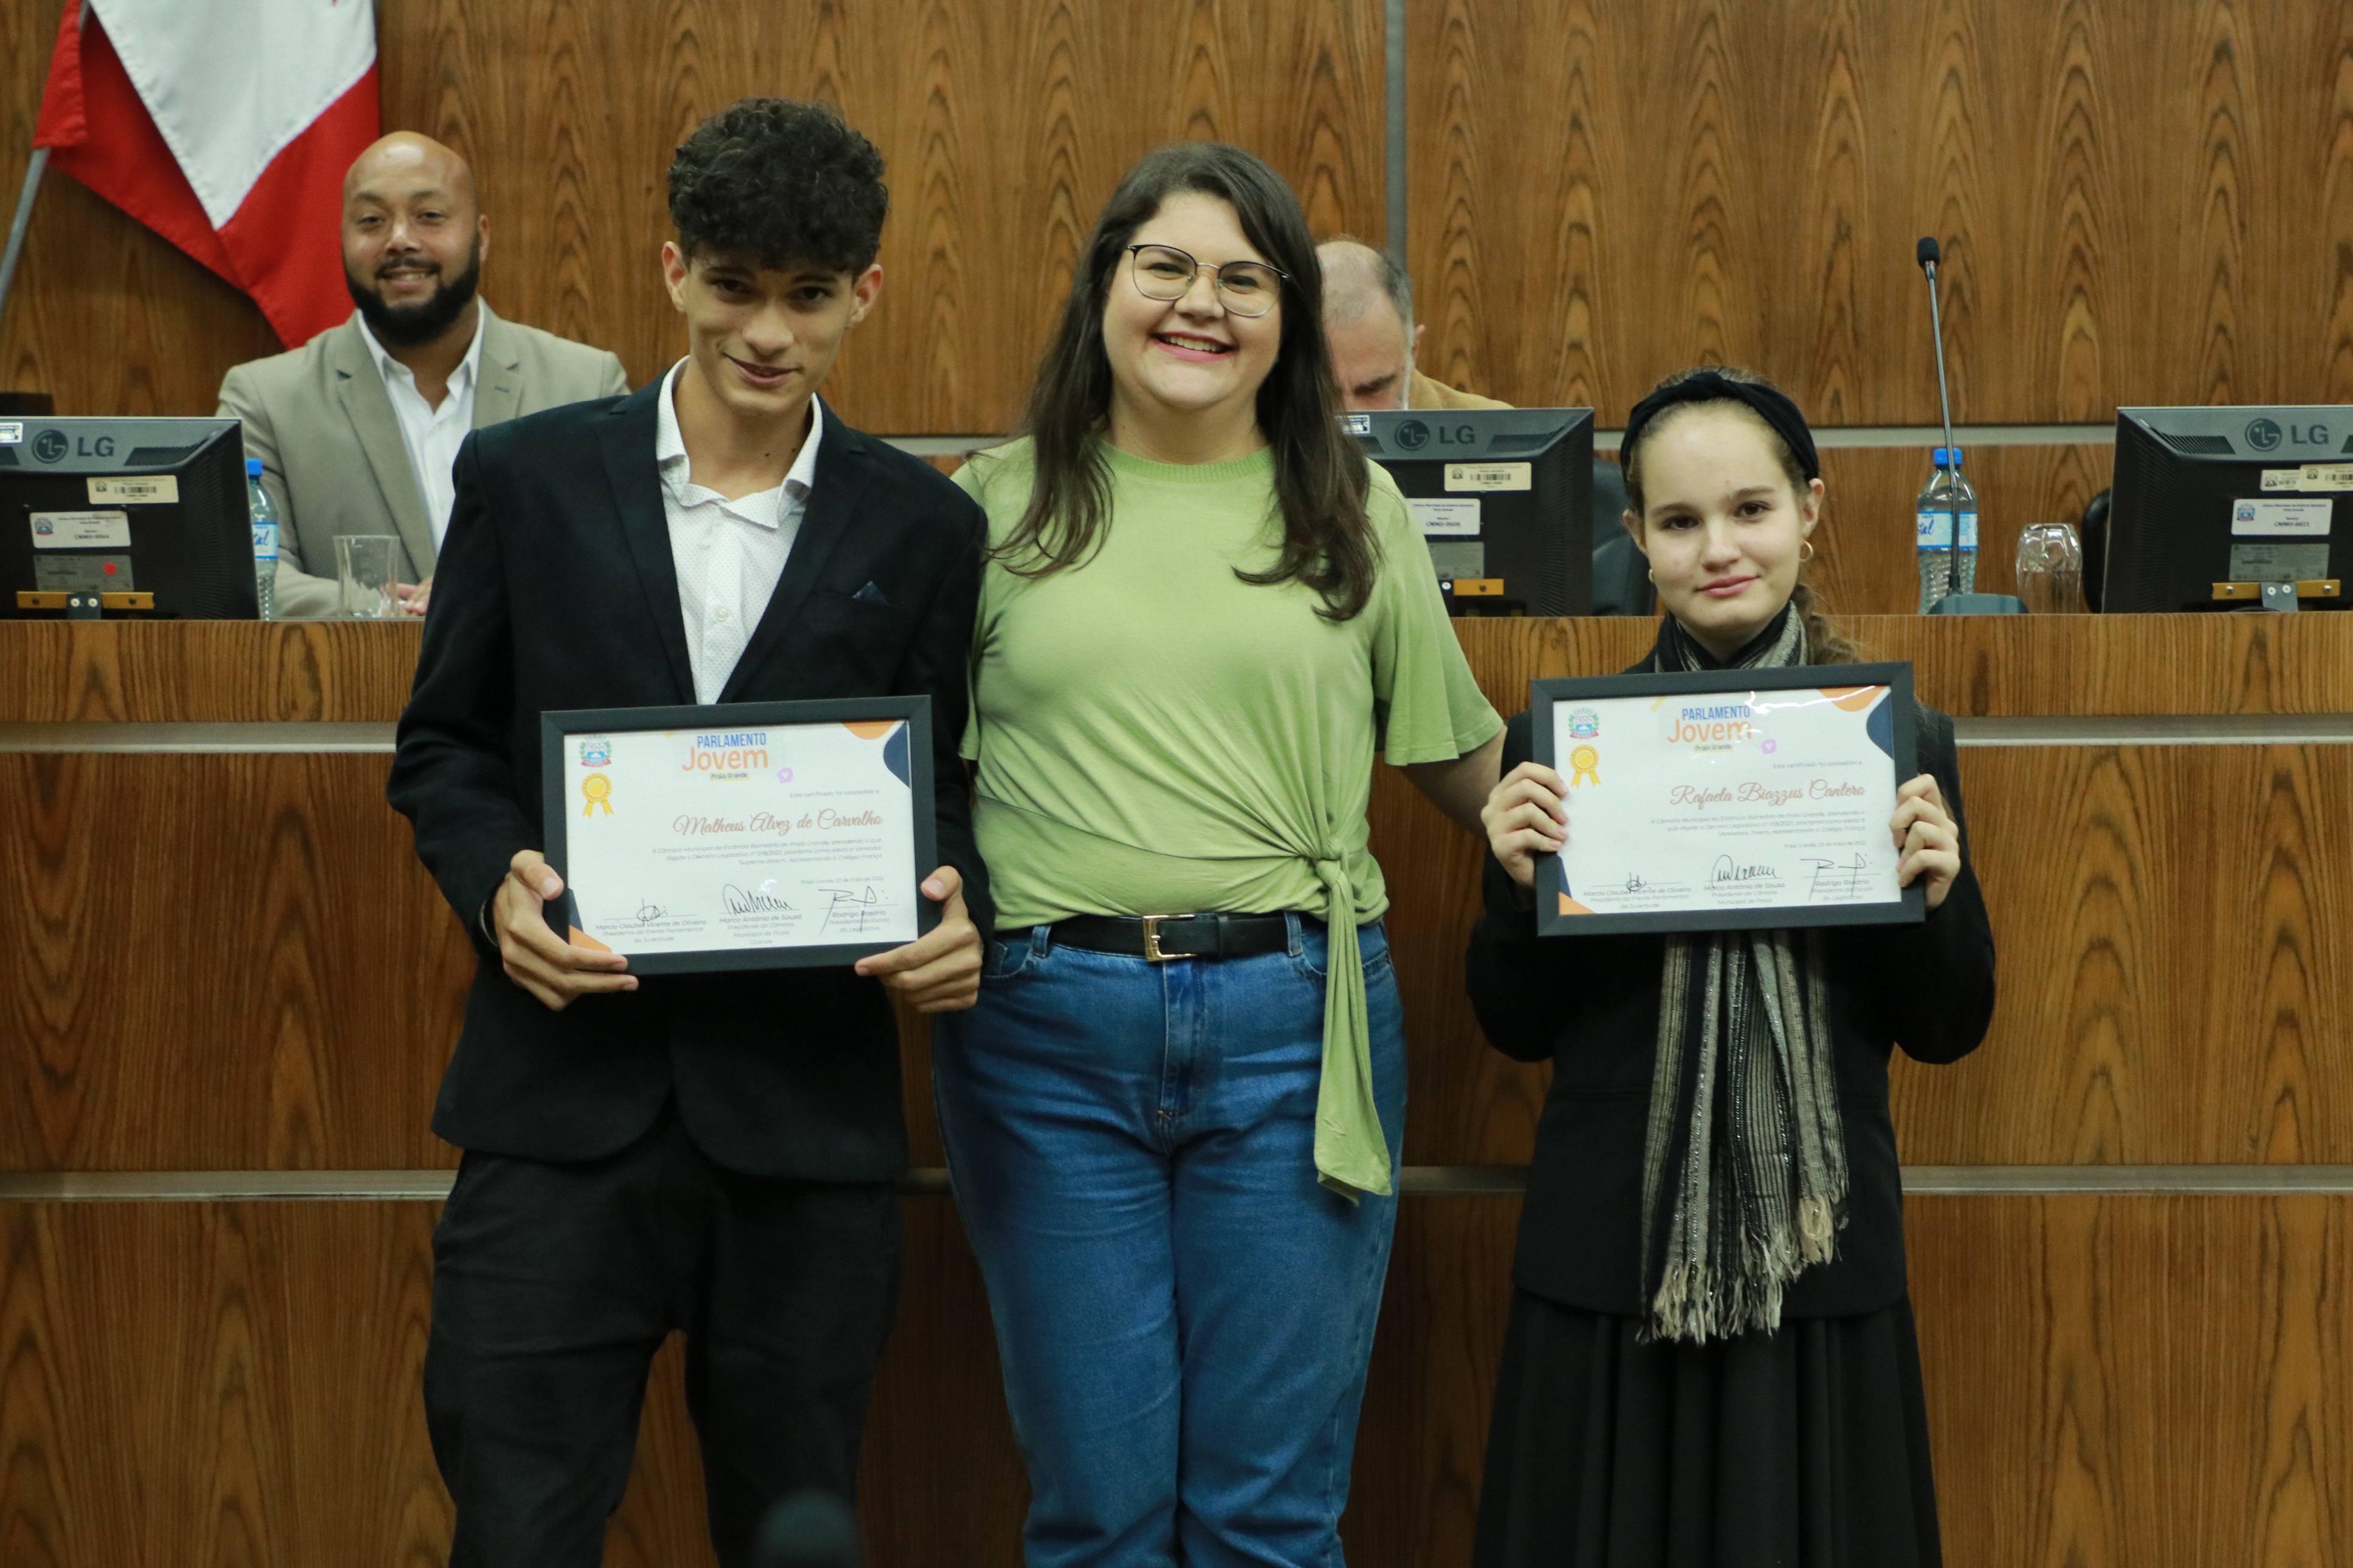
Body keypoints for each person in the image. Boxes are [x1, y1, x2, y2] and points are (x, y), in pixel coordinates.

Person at [385, 99, 988, 1567]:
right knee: (518, 1530)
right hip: (555, 1110)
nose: (768, 333)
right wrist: (496, 883)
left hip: (804, 1125)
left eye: (809, 295)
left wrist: (958, 899)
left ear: (866, 293)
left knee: (792, 1532)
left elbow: (948, 783)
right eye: (733, 287)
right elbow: (446, 746)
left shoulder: (923, 526)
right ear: (673, 271)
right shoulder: (525, 478)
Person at [936, 143, 1504, 1567]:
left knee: (1269, 1519)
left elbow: (1459, 758)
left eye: (1244, 278)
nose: (1202, 304)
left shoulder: (1353, 504)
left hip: (1297, 1033)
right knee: (1100, 1518)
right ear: (1105, 288)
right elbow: (904, 775)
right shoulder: (987, 506)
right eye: (1167, 267)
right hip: (1044, 1039)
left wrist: (1678, 820)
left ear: (1287, 318)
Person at [1466, 366, 1995, 1567]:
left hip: (1812, 1260)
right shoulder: (1565, 746)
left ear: (1808, 511)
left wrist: (1935, 898)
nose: (1718, 548)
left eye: (1749, 510)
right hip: (1615, 1261)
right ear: (1636, 539)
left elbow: (1948, 1026)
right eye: (1679, 520)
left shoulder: (1895, 743)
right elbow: (1513, 1025)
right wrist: (1509, 882)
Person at [218, 132, 628, 618]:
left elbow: (621, 563)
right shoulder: (265, 401)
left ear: (481, 237)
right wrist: (394, 609)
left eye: (429, 216)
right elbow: (255, 577)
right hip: (351, 667)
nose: (400, 240)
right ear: (343, 239)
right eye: (372, 221)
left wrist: (489, 597)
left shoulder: (585, 386)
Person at [1316, 236, 1508, 411]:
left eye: (1374, 388)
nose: (1349, 416)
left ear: (1413, 351)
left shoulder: (1499, 431)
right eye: (1322, 391)